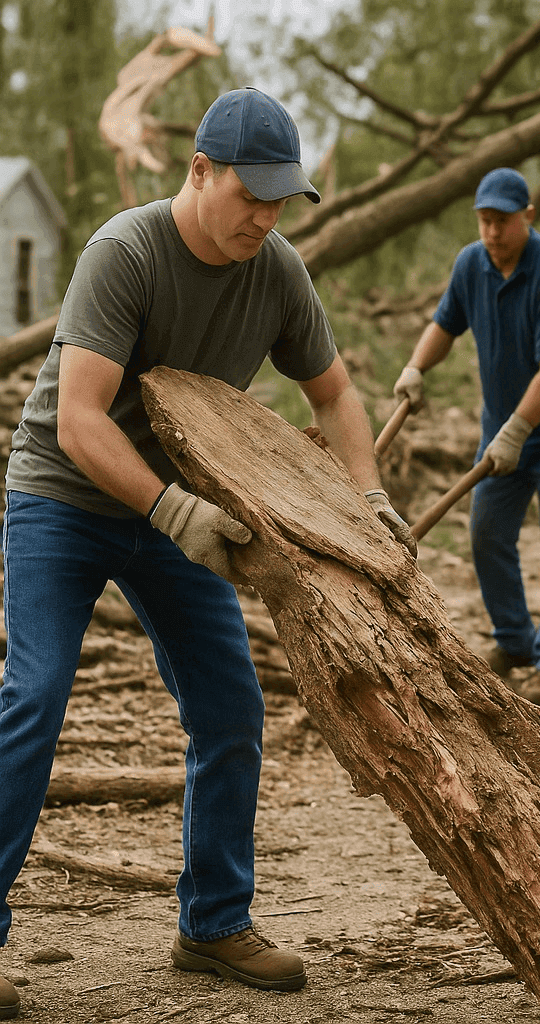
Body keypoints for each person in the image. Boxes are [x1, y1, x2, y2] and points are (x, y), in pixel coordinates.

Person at [0, 87, 415, 1016]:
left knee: (230, 710)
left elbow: (338, 396)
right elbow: (75, 422)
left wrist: (367, 494)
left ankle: (214, 923)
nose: (264, 218)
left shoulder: (276, 272)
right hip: (65, 500)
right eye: (250, 195)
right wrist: (175, 512)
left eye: (281, 201)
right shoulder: (126, 252)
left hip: (175, 513)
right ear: (199, 171)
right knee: (32, 698)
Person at [392, 167, 540, 709]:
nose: (491, 231)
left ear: (527, 217)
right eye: (484, 220)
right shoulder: (472, 264)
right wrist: (417, 368)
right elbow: (444, 326)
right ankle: (515, 643)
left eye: (502, 221)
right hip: (504, 429)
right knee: (487, 534)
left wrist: (516, 431)